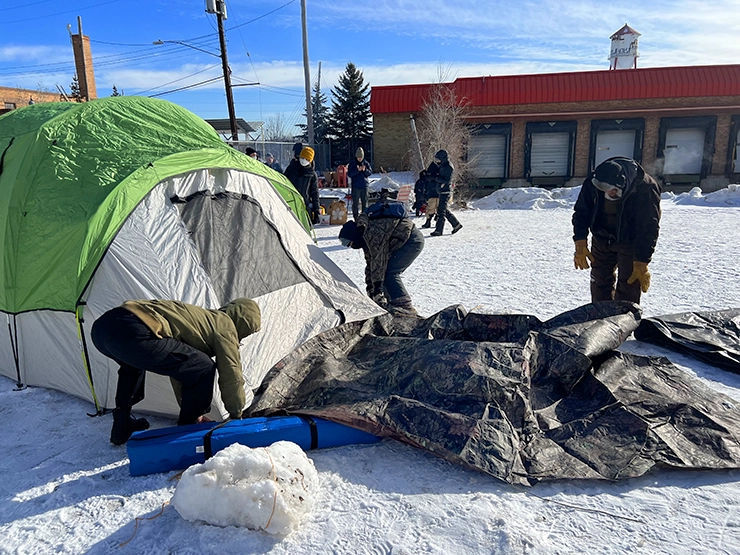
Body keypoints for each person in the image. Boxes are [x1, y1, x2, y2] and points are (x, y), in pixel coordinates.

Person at [91, 298, 261, 445]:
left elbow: (180, 369)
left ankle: (121, 427)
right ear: (244, 324)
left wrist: (193, 410)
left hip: (103, 328)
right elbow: (231, 374)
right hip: (134, 329)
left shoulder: (203, 320)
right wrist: (236, 414)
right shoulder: (226, 328)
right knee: (204, 366)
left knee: (131, 368)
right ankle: (188, 430)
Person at [572, 156, 661, 304]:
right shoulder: (594, 181)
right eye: (603, 189)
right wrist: (580, 242)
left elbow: (649, 227)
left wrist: (641, 261)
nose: (608, 192)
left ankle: (624, 319)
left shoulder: (646, 187)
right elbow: (582, 211)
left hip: (629, 241)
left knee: (629, 285)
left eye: (612, 189)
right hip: (601, 237)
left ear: (622, 183)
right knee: (599, 282)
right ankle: (599, 317)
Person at [338, 203, 424, 316]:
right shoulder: (365, 237)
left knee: (389, 273)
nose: (351, 246)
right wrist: (370, 288)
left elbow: (379, 263)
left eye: (349, 243)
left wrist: (377, 291)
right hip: (401, 240)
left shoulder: (372, 234)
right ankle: (393, 304)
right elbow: (371, 264)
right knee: (384, 273)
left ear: (354, 236)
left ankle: (405, 308)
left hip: (411, 240)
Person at [428, 150, 462, 236]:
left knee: (441, 211)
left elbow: (447, 180)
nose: (437, 161)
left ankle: (439, 230)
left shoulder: (448, 167)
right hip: (442, 190)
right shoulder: (443, 166)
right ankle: (456, 224)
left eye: (438, 159)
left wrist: (436, 178)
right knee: (443, 209)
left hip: (445, 190)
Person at [291, 146, 320, 225]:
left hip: (305, 205)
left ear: (310, 161)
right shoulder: (292, 169)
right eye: (302, 157)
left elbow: (315, 192)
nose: (304, 160)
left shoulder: (312, 174)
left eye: (307, 159)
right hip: (291, 203)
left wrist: (316, 209)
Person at [347, 147, 372, 220]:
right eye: (358, 157)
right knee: (355, 203)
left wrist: (365, 170)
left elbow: (369, 173)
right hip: (356, 186)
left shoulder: (366, 163)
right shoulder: (352, 164)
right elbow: (350, 174)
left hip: (364, 185)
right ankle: (356, 217)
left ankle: (364, 217)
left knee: (365, 202)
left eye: (361, 157)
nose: (360, 159)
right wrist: (357, 170)